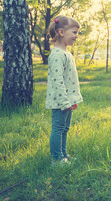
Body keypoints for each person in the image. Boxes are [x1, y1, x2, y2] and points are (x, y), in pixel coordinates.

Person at [45, 15, 83, 165]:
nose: (76, 36)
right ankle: (56, 159)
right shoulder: (57, 55)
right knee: (58, 129)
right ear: (61, 32)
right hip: (60, 102)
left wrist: (73, 99)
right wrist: (64, 102)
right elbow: (58, 80)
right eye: (74, 32)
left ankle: (63, 155)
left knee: (65, 129)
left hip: (68, 100)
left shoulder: (67, 53)